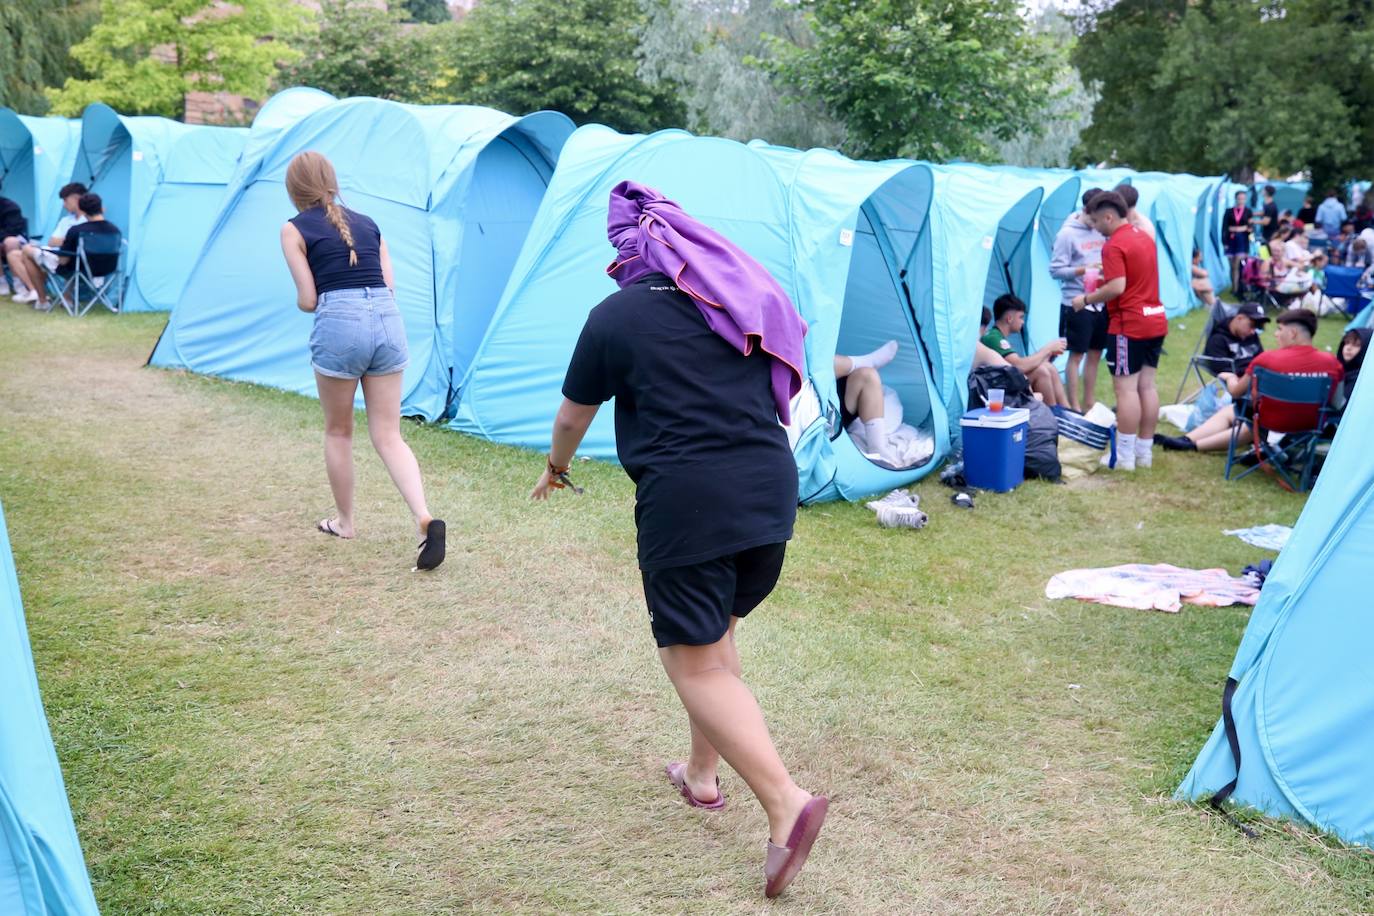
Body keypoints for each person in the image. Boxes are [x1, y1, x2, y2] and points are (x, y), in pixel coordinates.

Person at [531, 180, 827, 899]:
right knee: (715, 642)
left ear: (630, 250)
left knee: (693, 665)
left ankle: (786, 802)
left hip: (692, 504)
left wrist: (556, 469)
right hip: (769, 491)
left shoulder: (615, 316)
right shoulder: (734, 298)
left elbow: (572, 417)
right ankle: (700, 775)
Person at [279, 151, 445, 571]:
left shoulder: (293, 229)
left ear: (294, 189)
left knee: (339, 432)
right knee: (389, 434)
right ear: (332, 181)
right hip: (387, 320)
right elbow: (389, 285)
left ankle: (346, 522)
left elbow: (308, 299)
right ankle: (424, 517)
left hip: (340, 322)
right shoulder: (370, 224)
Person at [1072, 190, 1167, 470]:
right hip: (1155, 318)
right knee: (1147, 386)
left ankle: (1124, 457)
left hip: (1129, 325)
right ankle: (1144, 454)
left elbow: (1117, 287)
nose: (1094, 227)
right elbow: (1135, 277)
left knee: (1125, 391)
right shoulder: (1144, 236)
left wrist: (1086, 299)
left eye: (1095, 221)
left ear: (1108, 217)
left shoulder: (1113, 245)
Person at [1159, 309, 1342, 452]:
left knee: (1238, 411)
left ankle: (1190, 442)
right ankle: (1189, 443)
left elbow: (1236, 391)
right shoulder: (1333, 363)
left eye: (1280, 329)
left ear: (1293, 333)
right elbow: (1337, 403)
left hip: (1270, 422)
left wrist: (1231, 377)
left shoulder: (1266, 360)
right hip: (1310, 426)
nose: (1276, 334)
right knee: (1252, 417)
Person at [1049, 187, 1107, 411]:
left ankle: (1088, 402)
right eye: (1094, 219)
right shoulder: (1067, 234)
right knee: (1076, 355)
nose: (1096, 225)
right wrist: (1084, 269)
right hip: (1075, 302)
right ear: (1085, 210)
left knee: (1095, 353)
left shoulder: (1102, 229)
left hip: (1100, 299)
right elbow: (1055, 270)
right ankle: (1074, 406)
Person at [7, 182, 87, 308]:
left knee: (27, 250)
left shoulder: (89, 219)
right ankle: (35, 292)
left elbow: (83, 242)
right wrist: (70, 241)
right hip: (56, 254)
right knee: (14, 254)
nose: (64, 205)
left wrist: (65, 241)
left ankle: (42, 299)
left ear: (76, 199)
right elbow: (52, 241)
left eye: (66, 201)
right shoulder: (66, 220)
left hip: (69, 260)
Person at [980, 294, 1068, 406]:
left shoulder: (997, 336)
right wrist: (1048, 349)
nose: (1023, 322)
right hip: (995, 389)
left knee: (1048, 367)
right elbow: (1019, 366)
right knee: (1041, 372)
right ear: (1009, 318)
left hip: (1001, 383)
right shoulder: (993, 337)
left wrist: (1048, 353)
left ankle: (1066, 410)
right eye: (1021, 317)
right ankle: (1052, 412)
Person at [833, 340, 901, 463]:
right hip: (808, 407)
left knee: (868, 375)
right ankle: (865, 361)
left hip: (831, 404)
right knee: (806, 361)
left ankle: (877, 448)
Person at [1203, 302, 1267, 376]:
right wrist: (1250, 372)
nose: (1253, 331)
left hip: (1256, 375)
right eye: (1251, 325)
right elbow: (1221, 370)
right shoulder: (1218, 339)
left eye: (1257, 327)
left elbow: (1262, 359)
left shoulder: (1251, 335)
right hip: (1238, 379)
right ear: (1239, 318)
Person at [1221, 189, 1252, 292]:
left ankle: (1237, 288)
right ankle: (1234, 286)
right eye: (1239, 198)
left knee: (1237, 265)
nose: (1241, 201)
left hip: (1242, 240)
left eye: (1243, 199)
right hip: (1231, 240)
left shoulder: (1248, 211)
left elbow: (1250, 226)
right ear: (1235, 199)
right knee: (1232, 266)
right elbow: (1224, 227)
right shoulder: (1229, 211)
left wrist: (1247, 229)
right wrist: (1224, 242)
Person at [0, 191, 29, 295]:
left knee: (11, 241)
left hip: (13, 241)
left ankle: (18, 283)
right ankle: (2, 283)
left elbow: (12, 230)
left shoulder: (10, 207)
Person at [1335, 327, 1369, 409]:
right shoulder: (1339, 369)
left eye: (1356, 345)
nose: (1349, 348)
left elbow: (1340, 406)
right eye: (1347, 343)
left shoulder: (1360, 377)